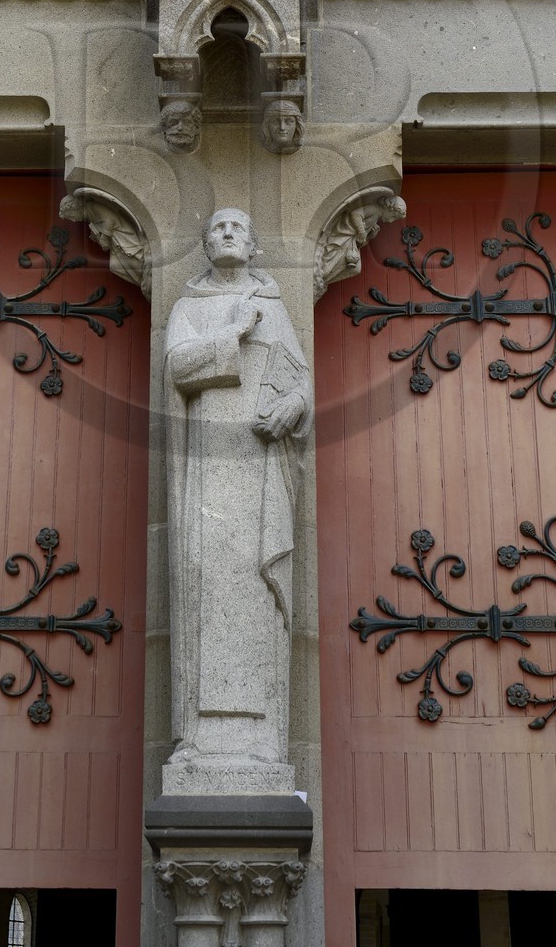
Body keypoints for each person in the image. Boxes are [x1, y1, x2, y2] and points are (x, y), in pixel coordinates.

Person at [164, 209, 312, 773]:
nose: (228, 234)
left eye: (238, 230)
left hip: (261, 465)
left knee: (256, 582)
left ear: (252, 247)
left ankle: (263, 739)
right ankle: (198, 738)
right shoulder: (188, 307)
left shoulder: (273, 307)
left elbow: (300, 383)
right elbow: (178, 365)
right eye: (218, 228)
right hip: (208, 469)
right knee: (205, 584)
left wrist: (289, 410)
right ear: (205, 245)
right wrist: (234, 333)